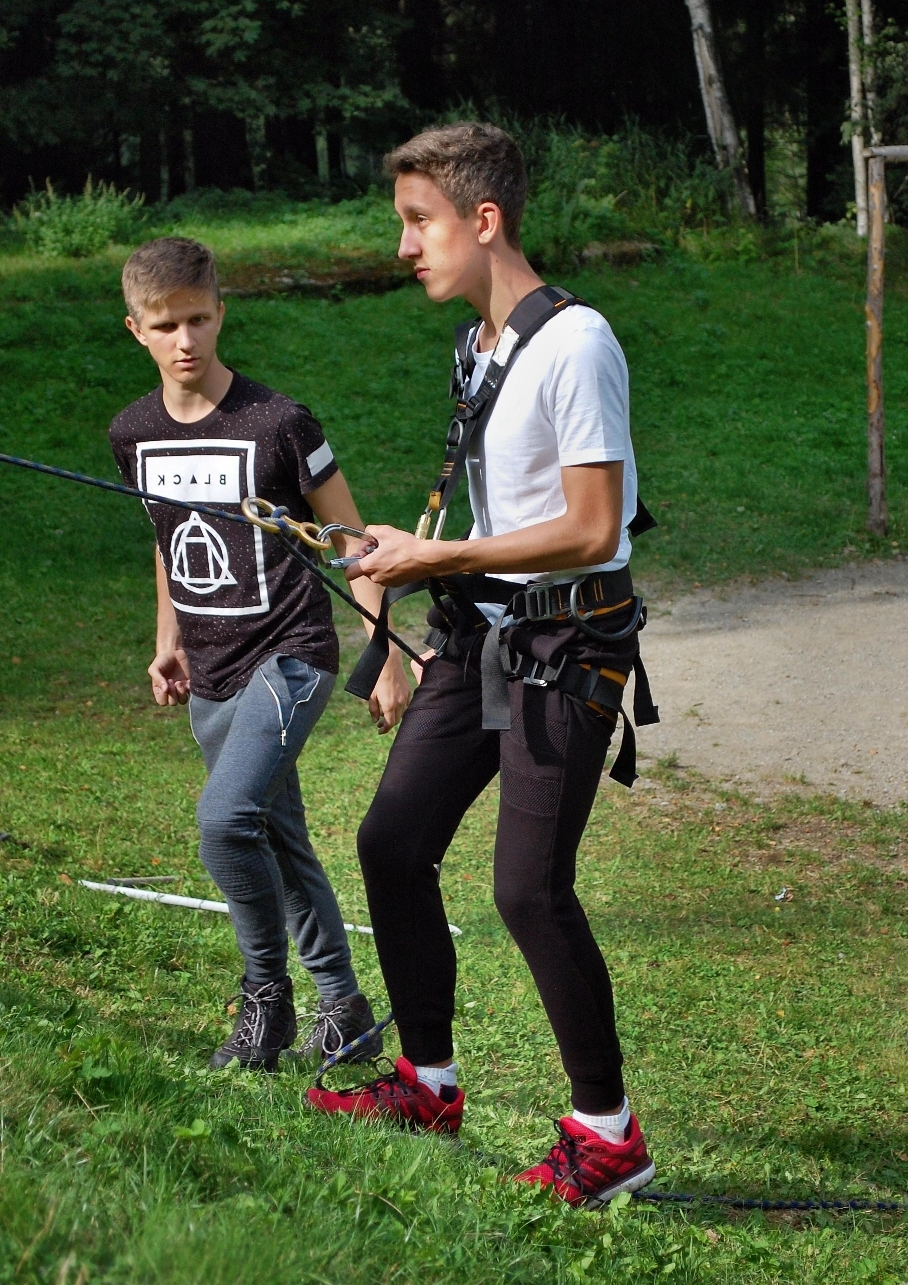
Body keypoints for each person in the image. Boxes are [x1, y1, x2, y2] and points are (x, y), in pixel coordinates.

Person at [305, 123, 657, 1208]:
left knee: (527, 890)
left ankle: (608, 1135)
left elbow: (593, 527)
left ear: (485, 220)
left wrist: (440, 556)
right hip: (481, 634)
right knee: (392, 840)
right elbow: (499, 515)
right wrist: (405, 557)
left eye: (420, 222)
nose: (405, 245)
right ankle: (426, 1082)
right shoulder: (477, 346)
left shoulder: (576, 343)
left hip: (569, 644)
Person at [108, 236, 410, 1072]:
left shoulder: (279, 422)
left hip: (292, 653)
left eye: (198, 320)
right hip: (211, 666)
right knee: (279, 837)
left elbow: (354, 542)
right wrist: (168, 641)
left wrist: (384, 654)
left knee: (224, 821)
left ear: (220, 312)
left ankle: (265, 1005)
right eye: (165, 326)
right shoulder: (133, 432)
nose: (185, 341)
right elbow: (167, 539)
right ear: (136, 329)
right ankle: (345, 1011)